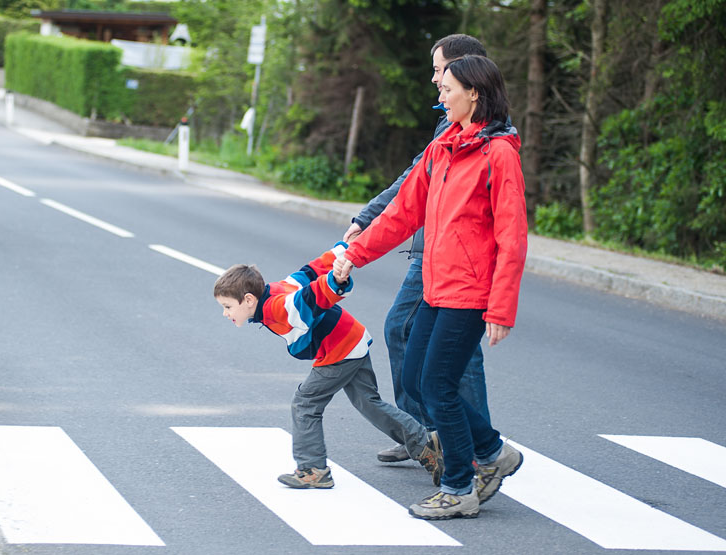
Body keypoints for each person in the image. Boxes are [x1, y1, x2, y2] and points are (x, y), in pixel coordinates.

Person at [334, 56, 526, 520]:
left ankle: (460, 487)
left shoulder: (498, 152)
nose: (440, 96)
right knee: (421, 379)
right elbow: (403, 213)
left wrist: (501, 308)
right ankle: (492, 449)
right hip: (436, 286)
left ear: (474, 94)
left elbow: (512, 236)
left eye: (448, 89)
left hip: (470, 292)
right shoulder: (443, 147)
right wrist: (353, 255)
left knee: (439, 386)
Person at [343, 35, 493, 464]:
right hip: (432, 249)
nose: (434, 80)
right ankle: (430, 436)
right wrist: (367, 219)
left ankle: (460, 444)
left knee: (441, 349)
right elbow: (415, 181)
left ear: (464, 73)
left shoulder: (483, 134)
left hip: (452, 258)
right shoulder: (448, 121)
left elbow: (507, 230)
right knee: (418, 339)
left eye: (439, 71)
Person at [212, 243, 443, 489]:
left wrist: (335, 280)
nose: (226, 313)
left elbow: (312, 295)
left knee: (305, 403)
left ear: (248, 299)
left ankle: (313, 469)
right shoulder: (279, 289)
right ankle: (425, 444)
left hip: (340, 349)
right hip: (351, 339)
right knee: (369, 403)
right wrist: (344, 250)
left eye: (227, 307)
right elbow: (310, 271)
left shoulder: (278, 308)